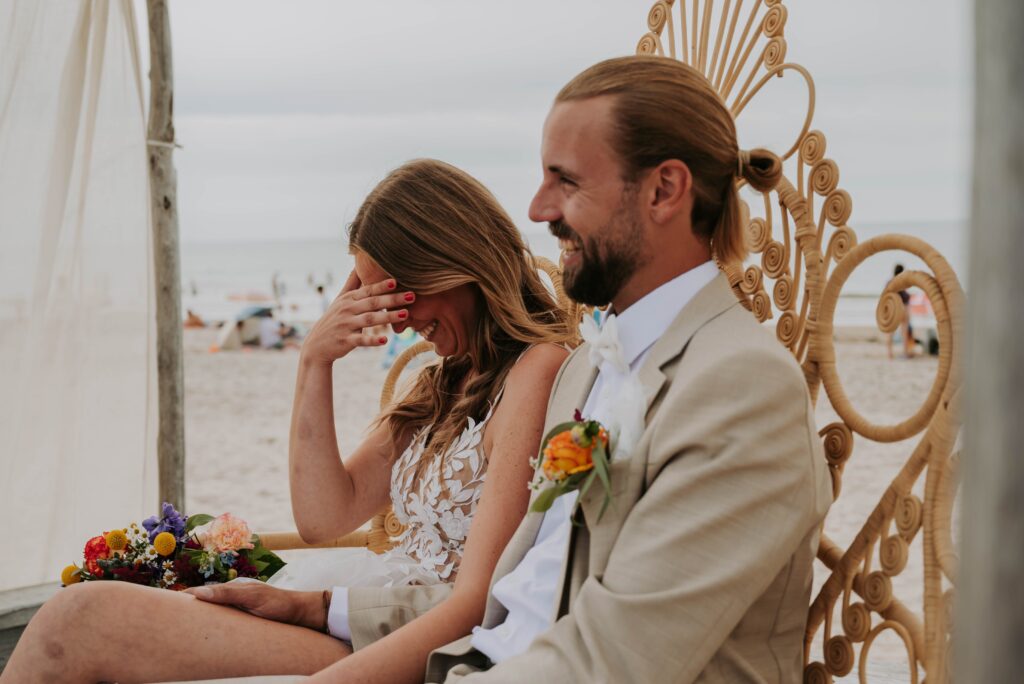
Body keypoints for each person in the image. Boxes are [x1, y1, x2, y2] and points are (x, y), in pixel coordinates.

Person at [336, 56, 833, 683]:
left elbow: (617, 659)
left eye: (564, 182)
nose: (539, 210)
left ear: (664, 190)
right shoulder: (587, 372)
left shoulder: (742, 388)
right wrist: (317, 610)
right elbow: (513, 605)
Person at [2, 160, 574, 683]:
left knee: (82, 621)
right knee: (76, 619)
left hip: (403, 641)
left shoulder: (537, 371)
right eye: (377, 301)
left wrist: (319, 609)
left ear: (452, 261)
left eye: (399, 296)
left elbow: (477, 603)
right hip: (353, 612)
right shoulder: (439, 384)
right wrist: (314, 362)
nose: (398, 325)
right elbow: (325, 515)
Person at [887, 263, 916, 359]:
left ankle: (890, 353)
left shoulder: (889, 283)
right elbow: (906, 297)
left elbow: (886, 297)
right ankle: (905, 352)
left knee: (890, 332)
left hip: (893, 309)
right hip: (903, 308)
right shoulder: (902, 282)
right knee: (904, 331)